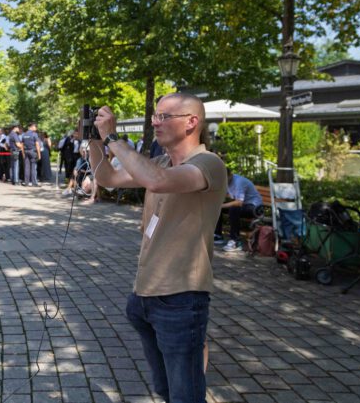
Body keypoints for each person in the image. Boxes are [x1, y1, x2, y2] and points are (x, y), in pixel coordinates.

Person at [89, 93, 226, 403]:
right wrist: (95, 141)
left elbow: (157, 181)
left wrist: (112, 138)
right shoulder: (162, 161)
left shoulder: (208, 164)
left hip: (181, 297)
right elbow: (107, 177)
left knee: (185, 395)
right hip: (145, 296)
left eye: (164, 116)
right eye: (155, 116)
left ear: (192, 122)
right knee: (166, 390)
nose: (155, 122)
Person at [215, 168, 264, 252]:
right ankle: (218, 235)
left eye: (224, 178)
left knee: (233, 209)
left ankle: (235, 241)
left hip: (255, 208)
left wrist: (221, 205)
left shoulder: (239, 182)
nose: (223, 181)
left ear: (230, 175)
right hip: (244, 206)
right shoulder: (226, 181)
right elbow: (224, 194)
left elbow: (239, 202)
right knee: (217, 208)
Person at [21, 122, 41, 187]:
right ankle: (34, 183)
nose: (36, 128)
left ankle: (26, 182)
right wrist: (39, 154)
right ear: (31, 127)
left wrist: (23, 153)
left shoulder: (24, 134)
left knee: (27, 168)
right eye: (35, 126)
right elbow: (37, 144)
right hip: (33, 152)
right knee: (33, 168)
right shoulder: (34, 134)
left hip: (26, 152)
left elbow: (22, 145)